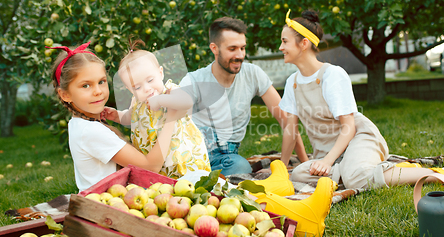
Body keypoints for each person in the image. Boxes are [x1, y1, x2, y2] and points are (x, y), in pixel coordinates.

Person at [277, 9, 444, 189]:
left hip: (358, 139)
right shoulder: (292, 83)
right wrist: (281, 170)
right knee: (297, 174)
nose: (280, 47)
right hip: (330, 153)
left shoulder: (332, 76)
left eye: (284, 41)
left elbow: (349, 126)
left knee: (356, 179)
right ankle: (359, 169)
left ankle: (437, 175)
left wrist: (327, 162)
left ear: (304, 44)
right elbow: (290, 129)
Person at [179, 17, 308, 176]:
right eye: (232, 49)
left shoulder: (253, 74)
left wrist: (304, 162)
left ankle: (205, 178)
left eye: (242, 48)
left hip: (227, 158)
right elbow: (176, 130)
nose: (240, 55)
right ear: (214, 48)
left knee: (241, 167)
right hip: (194, 154)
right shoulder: (193, 81)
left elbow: (286, 119)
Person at [49, 42, 178, 192]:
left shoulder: (78, 123)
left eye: (101, 82)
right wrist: (171, 118)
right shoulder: (91, 131)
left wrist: (119, 116)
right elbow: (150, 167)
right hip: (107, 204)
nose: (98, 91)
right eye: (86, 85)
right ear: (65, 94)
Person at [102, 39, 211, 179]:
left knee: (193, 186)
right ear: (130, 89)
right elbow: (131, 117)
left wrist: (160, 100)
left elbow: (187, 102)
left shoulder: (171, 91)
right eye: (137, 87)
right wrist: (117, 116)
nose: (147, 89)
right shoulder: (137, 102)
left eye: (150, 80)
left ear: (161, 73)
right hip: (157, 164)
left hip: (185, 161)